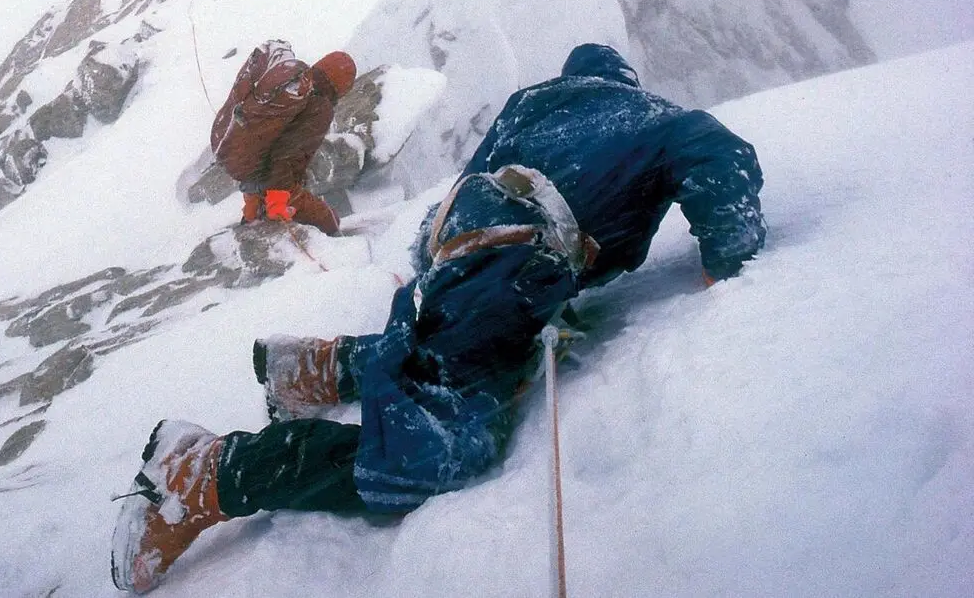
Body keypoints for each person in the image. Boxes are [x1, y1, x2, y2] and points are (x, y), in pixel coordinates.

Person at [112, 44, 766, 593]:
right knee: (430, 454)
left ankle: (312, 368)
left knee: (440, 343)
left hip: (459, 239)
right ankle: (203, 473)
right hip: (512, 260)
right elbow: (723, 161)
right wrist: (728, 261)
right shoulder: (658, 123)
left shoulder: (536, 101)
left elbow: (475, 175)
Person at [210, 40, 357, 236]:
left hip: (248, 172)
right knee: (330, 220)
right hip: (276, 184)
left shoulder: (298, 90)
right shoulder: (320, 106)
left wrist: (254, 198)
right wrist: (279, 197)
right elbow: (287, 154)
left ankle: (253, 215)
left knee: (263, 212)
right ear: (343, 86)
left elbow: (265, 142)